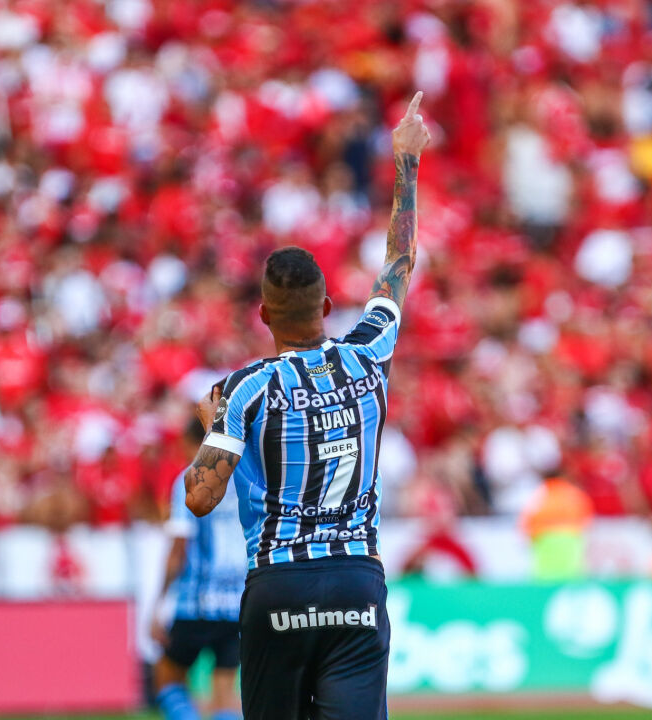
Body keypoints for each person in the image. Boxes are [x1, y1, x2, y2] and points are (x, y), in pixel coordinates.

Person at [182, 93, 431, 720]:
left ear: (263, 314)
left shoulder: (245, 388)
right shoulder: (370, 353)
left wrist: (215, 422)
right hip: (355, 582)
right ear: (326, 308)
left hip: (279, 587)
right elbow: (398, 265)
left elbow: (199, 498)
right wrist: (405, 162)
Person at [151, 420, 246, 720]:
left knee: (166, 676)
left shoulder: (191, 478)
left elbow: (179, 547)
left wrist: (158, 604)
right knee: (224, 693)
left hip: (197, 601)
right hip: (238, 603)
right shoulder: (243, 478)